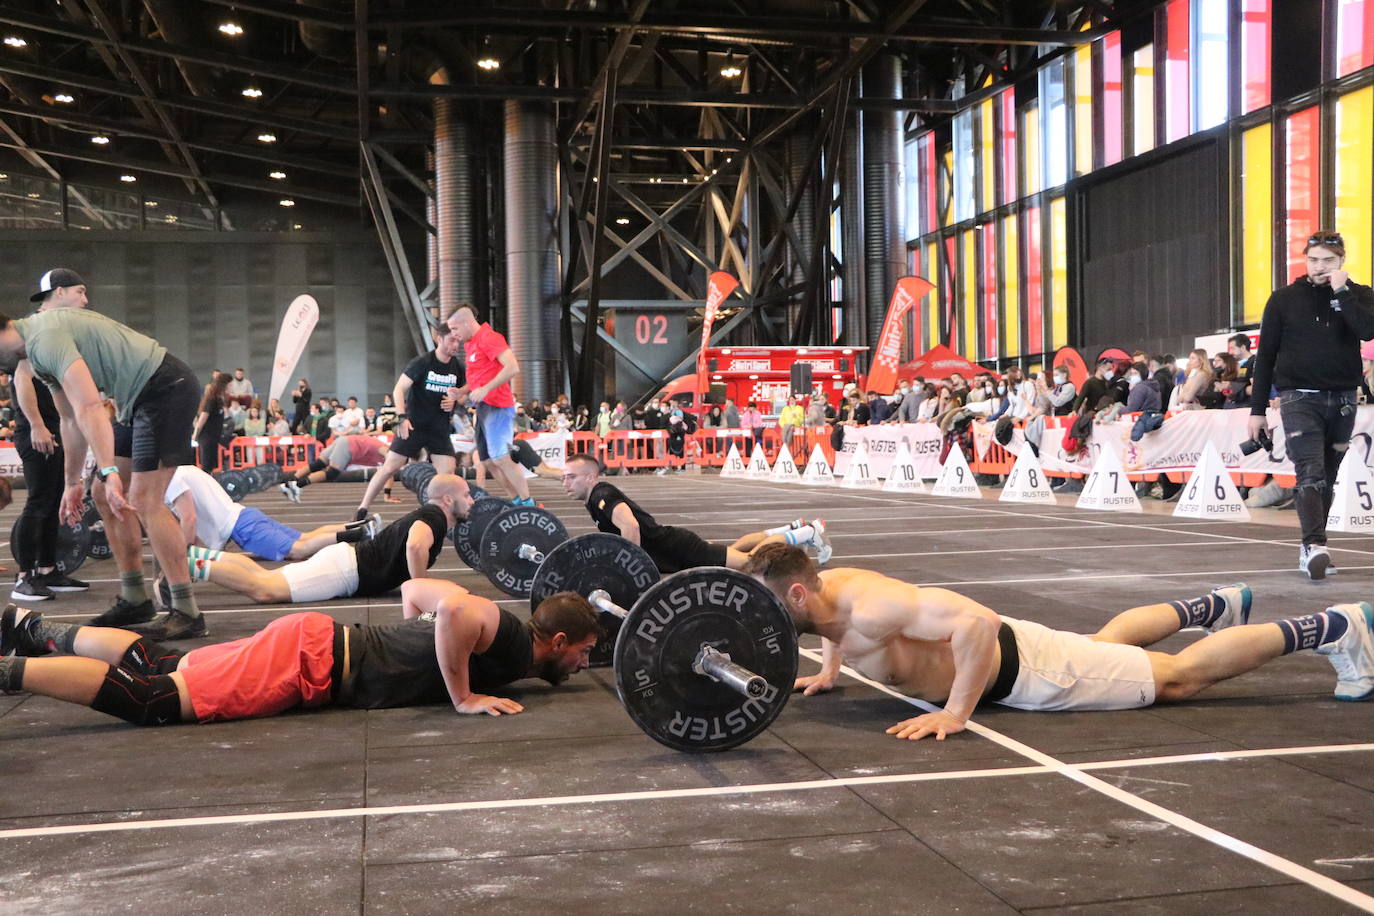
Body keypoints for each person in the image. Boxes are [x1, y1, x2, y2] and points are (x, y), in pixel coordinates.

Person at [744, 544, 1374, 743]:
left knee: (1176, 678)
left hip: (1026, 673)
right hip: (1026, 660)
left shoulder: (874, 603)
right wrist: (829, 671)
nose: (760, 618)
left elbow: (977, 624)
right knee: (1107, 645)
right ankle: (1210, 607)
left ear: (797, 595)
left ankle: (1332, 628)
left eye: (770, 604)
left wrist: (955, 712)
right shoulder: (827, 601)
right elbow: (836, 630)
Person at [0, 579, 601, 726]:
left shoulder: (520, 649)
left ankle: (24, 627)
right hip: (310, 662)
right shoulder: (516, 638)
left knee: (161, 666)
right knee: (152, 699)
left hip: (315, 643)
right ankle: (11, 667)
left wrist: (409, 645)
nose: (584, 665)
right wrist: (462, 695)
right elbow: (453, 610)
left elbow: (418, 590)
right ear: (556, 641)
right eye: (583, 653)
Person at [0, 271, 205, 639]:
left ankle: (186, 609)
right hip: (136, 399)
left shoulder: (45, 338)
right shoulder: (35, 352)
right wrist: (71, 482)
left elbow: (91, 407)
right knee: (100, 495)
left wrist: (110, 469)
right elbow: (69, 419)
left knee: (144, 498)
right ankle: (134, 598)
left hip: (165, 387)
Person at [1249, 230, 1374, 580]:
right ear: (1305, 259)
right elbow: (1266, 356)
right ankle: (1314, 546)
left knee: (1329, 477)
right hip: (1298, 398)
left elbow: (1367, 331)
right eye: (1314, 259)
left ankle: (1314, 544)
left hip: (1344, 399)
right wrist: (1257, 410)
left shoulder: (1360, 295)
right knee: (1311, 471)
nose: (1320, 267)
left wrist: (1342, 292)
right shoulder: (1283, 299)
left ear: (1342, 262)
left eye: (1328, 261)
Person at [184, 474, 470, 605]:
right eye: (466, 495)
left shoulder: (433, 515)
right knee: (264, 589)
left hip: (344, 563)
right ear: (447, 499)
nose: (471, 501)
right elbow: (415, 544)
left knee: (264, 576)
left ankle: (196, 559)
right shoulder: (435, 515)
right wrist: (421, 587)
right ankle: (185, 565)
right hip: (344, 572)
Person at [560, 454, 831, 572]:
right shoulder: (595, 496)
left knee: (752, 563)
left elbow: (630, 527)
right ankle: (790, 528)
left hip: (679, 549)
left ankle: (806, 533)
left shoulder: (601, 495)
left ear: (590, 477)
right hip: (676, 547)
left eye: (571, 477)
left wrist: (631, 567)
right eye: (564, 478)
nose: (565, 483)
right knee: (736, 549)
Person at [352, 327, 466, 520]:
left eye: (458, 341)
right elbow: (398, 390)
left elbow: (464, 397)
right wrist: (402, 418)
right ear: (440, 339)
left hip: (438, 429)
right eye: (451, 340)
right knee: (389, 467)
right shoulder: (422, 362)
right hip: (414, 425)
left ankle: (436, 516)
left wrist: (455, 400)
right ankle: (362, 510)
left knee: (448, 474)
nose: (456, 345)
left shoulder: (458, 368)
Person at [168, 464, 376, 562]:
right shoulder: (188, 469)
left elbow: (189, 518)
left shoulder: (171, 481)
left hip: (242, 527)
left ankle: (359, 534)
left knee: (298, 551)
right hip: (246, 515)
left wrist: (185, 556)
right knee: (306, 537)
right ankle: (362, 526)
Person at [9, 345, 86, 602]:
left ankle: (47, 570)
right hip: (37, 435)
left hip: (56, 431)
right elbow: (22, 381)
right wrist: (37, 425)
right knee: (38, 503)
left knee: (53, 503)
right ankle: (24, 578)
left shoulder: (53, 356)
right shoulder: (29, 354)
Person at [447, 305, 532, 506]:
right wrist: (462, 391)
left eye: (455, 329)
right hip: (483, 408)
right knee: (485, 461)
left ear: (467, 323)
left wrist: (485, 388)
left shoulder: (489, 338)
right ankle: (516, 500)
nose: (454, 335)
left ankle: (528, 502)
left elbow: (513, 367)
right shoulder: (470, 344)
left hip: (498, 406)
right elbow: (479, 377)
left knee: (501, 458)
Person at [281, 434, 391, 501]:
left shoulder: (388, 454)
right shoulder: (388, 452)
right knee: (332, 473)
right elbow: (389, 470)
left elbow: (388, 472)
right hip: (348, 446)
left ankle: (288, 484)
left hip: (344, 440)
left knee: (319, 464)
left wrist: (387, 494)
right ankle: (297, 485)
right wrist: (387, 495)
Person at [191, 371, 229, 473]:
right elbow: (203, 417)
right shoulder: (212, 400)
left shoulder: (221, 399)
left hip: (214, 435)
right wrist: (196, 433)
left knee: (211, 464)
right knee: (206, 464)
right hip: (207, 436)